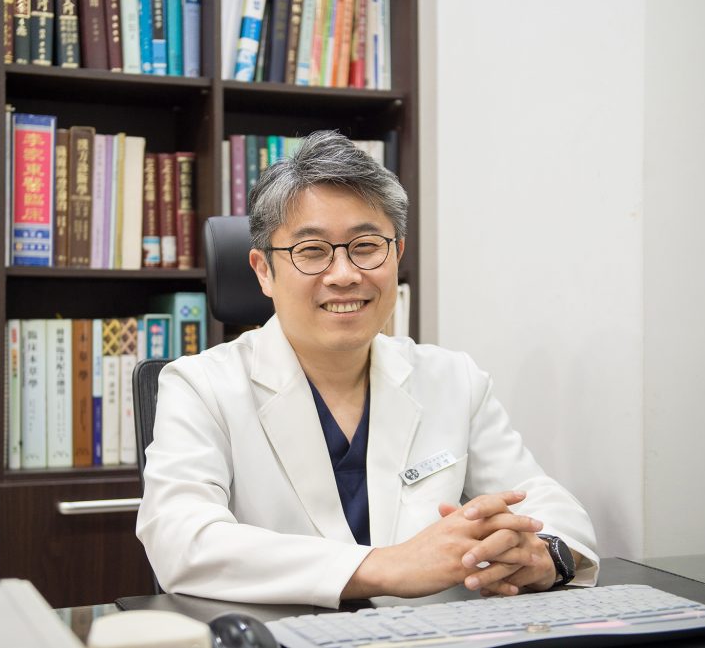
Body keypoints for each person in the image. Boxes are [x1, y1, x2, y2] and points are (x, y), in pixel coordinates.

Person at [136, 130, 598, 608]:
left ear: (396, 255)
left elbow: (540, 500)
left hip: (432, 638)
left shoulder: (453, 379)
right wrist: (387, 566)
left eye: (366, 246)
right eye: (311, 251)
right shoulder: (201, 386)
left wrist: (544, 554)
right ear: (263, 271)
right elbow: (180, 538)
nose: (344, 275)